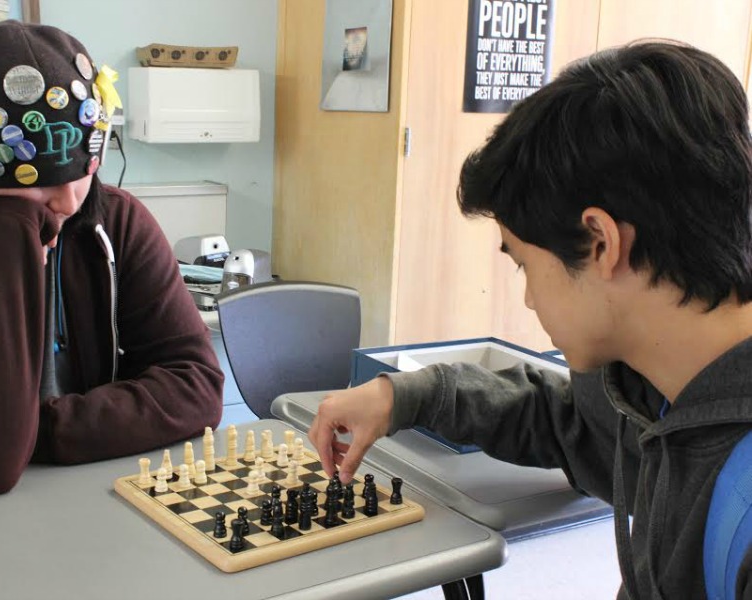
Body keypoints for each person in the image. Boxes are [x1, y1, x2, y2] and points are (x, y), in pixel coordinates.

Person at [310, 41, 752, 600]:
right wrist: (407, 397)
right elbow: (565, 423)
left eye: (524, 265)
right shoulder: (660, 386)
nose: (529, 302)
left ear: (600, 242)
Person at [0, 21, 224, 495]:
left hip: (68, 494)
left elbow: (196, 385)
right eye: (41, 178)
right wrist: (5, 230)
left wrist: (33, 429)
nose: (69, 203)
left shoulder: (115, 222)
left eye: (83, 171)